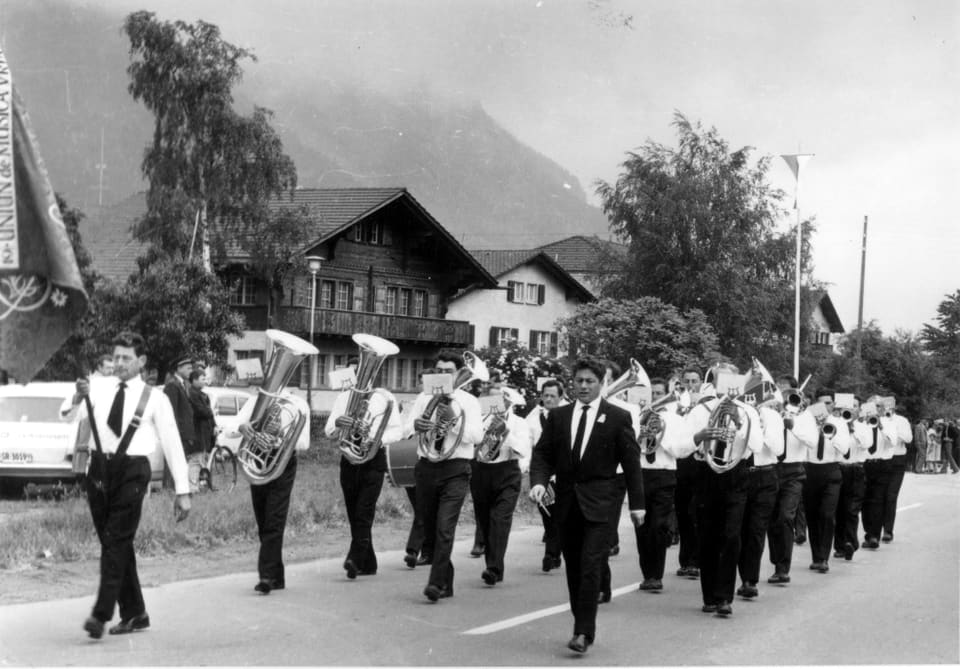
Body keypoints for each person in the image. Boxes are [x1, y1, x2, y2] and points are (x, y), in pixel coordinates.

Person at [60, 331, 191, 639]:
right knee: (113, 543)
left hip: (133, 471)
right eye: (116, 357)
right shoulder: (97, 386)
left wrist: (183, 491)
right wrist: (79, 395)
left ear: (141, 362)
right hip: (99, 470)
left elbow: (172, 443)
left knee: (117, 540)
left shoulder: (155, 397)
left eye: (126, 358)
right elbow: (67, 416)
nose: (119, 363)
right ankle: (135, 613)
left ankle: (101, 613)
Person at [529, 356, 645, 654]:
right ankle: (581, 619)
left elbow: (632, 464)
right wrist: (539, 482)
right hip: (566, 503)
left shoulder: (618, 417)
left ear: (601, 383)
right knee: (574, 566)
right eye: (579, 381)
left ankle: (583, 631)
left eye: (589, 381)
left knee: (592, 562)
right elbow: (542, 454)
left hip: (601, 502)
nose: (583, 386)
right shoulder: (558, 417)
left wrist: (638, 504)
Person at [406, 351, 484, 602]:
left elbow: (476, 437)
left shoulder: (469, 401)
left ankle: (435, 583)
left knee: (444, 528)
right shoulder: (423, 397)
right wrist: (415, 425)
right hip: (426, 466)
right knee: (430, 530)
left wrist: (453, 423)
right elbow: (405, 427)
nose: (443, 375)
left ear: (458, 373)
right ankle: (446, 580)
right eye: (439, 370)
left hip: (455, 469)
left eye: (448, 371)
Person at [687, 363, 763, 617]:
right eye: (722, 380)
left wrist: (739, 422)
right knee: (708, 536)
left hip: (736, 474)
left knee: (731, 535)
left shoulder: (748, 411)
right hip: (706, 473)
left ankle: (724, 598)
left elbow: (757, 446)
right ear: (715, 382)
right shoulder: (701, 410)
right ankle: (709, 595)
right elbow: (682, 445)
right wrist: (700, 436)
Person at [325, 368, 403, 579]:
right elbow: (328, 430)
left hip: (373, 459)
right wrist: (338, 423)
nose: (362, 379)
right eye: (359, 373)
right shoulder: (343, 398)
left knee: (363, 511)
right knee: (353, 512)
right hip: (349, 459)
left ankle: (355, 558)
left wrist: (376, 439)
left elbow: (398, 431)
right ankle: (369, 562)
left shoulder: (385, 398)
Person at [238, 388, 311, 594]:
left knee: (274, 518)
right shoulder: (256, 400)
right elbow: (231, 427)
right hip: (258, 458)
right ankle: (277, 576)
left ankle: (267, 576)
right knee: (263, 518)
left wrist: (280, 440)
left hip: (283, 460)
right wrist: (242, 428)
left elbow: (304, 442)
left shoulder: (298, 404)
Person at [636, 377, 695, 593]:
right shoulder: (637, 416)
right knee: (641, 527)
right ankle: (647, 574)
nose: (655, 398)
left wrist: (659, 435)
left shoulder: (675, 421)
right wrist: (640, 435)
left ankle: (656, 575)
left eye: (660, 394)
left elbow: (682, 451)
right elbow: (627, 447)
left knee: (658, 526)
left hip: (665, 474)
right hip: (641, 474)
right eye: (652, 394)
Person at [471, 387, 530, 585]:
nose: (498, 403)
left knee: (500, 519)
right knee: (485, 521)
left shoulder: (519, 423)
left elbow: (522, 450)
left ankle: (493, 568)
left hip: (507, 473)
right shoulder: (481, 418)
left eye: (504, 399)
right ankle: (494, 566)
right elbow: (472, 442)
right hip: (481, 472)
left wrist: (504, 430)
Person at [735, 386, 784, 599]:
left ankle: (749, 580)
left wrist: (760, 428)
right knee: (738, 531)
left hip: (765, 475)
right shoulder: (737, 413)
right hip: (741, 474)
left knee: (756, 530)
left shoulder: (772, 416)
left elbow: (778, 449)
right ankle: (742, 574)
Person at [766, 375, 814, 586]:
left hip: (793, 470)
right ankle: (777, 561)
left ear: (794, 392)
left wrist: (792, 425)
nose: (782, 394)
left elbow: (812, 441)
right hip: (771, 468)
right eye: (778, 389)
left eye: (786, 390)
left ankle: (782, 567)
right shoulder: (769, 412)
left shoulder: (805, 415)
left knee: (786, 516)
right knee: (772, 519)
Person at [801, 389, 850, 573]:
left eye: (829, 403)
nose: (827, 407)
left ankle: (823, 558)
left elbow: (844, 448)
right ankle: (816, 556)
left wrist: (830, 432)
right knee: (812, 516)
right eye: (822, 403)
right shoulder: (807, 420)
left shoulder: (839, 423)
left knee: (827, 515)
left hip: (831, 470)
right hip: (810, 470)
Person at [525, 378, 566, 572]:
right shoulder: (533, 416)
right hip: (542, 468)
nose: (548, 399)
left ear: (561, 397)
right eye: (545, 395)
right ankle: (553, 550)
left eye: (552, 396)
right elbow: (528, 441)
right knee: (546, 510)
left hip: (563, 468)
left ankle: (553, 553)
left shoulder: (568, 414)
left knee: (558, 512)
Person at [833, 395, 870, 560]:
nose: (851, 409)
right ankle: (840, 546)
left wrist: (852, 430)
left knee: (852, 509)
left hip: (856, 469)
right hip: (839, 468)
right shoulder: (834, 424)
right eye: (848, 406)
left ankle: (850, 542)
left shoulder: (863, 427)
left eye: (854, 406)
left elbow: (867, 445)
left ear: (858, 409)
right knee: (839, 509)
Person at [674, 367, 702, 579]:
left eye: (694, 380)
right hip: (682, 461)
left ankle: (696, 560)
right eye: (687, 381)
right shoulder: (676, 402)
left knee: (696, 512)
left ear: (701, 382)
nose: (691, 384)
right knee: (683, 512)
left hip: (700, 462)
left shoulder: (706, 403)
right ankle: (686, 560)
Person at [861, 397, 896, 549]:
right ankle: (869, 533)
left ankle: (874, 536)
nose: (877, 409)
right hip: (865, 464)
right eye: (874, 406)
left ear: (883, 408)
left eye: (879, 406)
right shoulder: (862, 423)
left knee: (878, 500)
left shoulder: (889, 423)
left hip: (883, 464)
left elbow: (891, 443)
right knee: (864, 501)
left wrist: (881, 426)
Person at [880, 399, 912, 542]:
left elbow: (908, 438)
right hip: (882, 460)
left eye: (889, 407)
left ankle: (888, 530)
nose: (887, 410)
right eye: (884, 407)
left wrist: (892, 432)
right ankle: (875, 529)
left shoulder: (902, 421)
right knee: (879, 496)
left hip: (897, 460)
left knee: (891, 496)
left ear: (894, 407)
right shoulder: (878, 420)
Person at [163, 355, 196, 489]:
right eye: (188, 368)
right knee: (173, 463)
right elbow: (171, 414)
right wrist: (175, 434)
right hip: (177, 434)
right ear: (179, 368)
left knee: (180, 464)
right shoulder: (172, 385)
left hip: (183, 434)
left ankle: (175, 489)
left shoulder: (182, 384)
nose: (191, 371)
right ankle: (169, 490)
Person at [187, 370, 215, 487]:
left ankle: (201, 485)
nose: (205, 381)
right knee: (196, 460)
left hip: (204, 432)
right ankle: (193, 487)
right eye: (202, 379)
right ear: (194, 380)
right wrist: (210, 411)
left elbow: (208, 413)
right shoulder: (192, 394)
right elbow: (203, 411)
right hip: (197, 431)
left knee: (202, 459)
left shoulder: (202, 394)